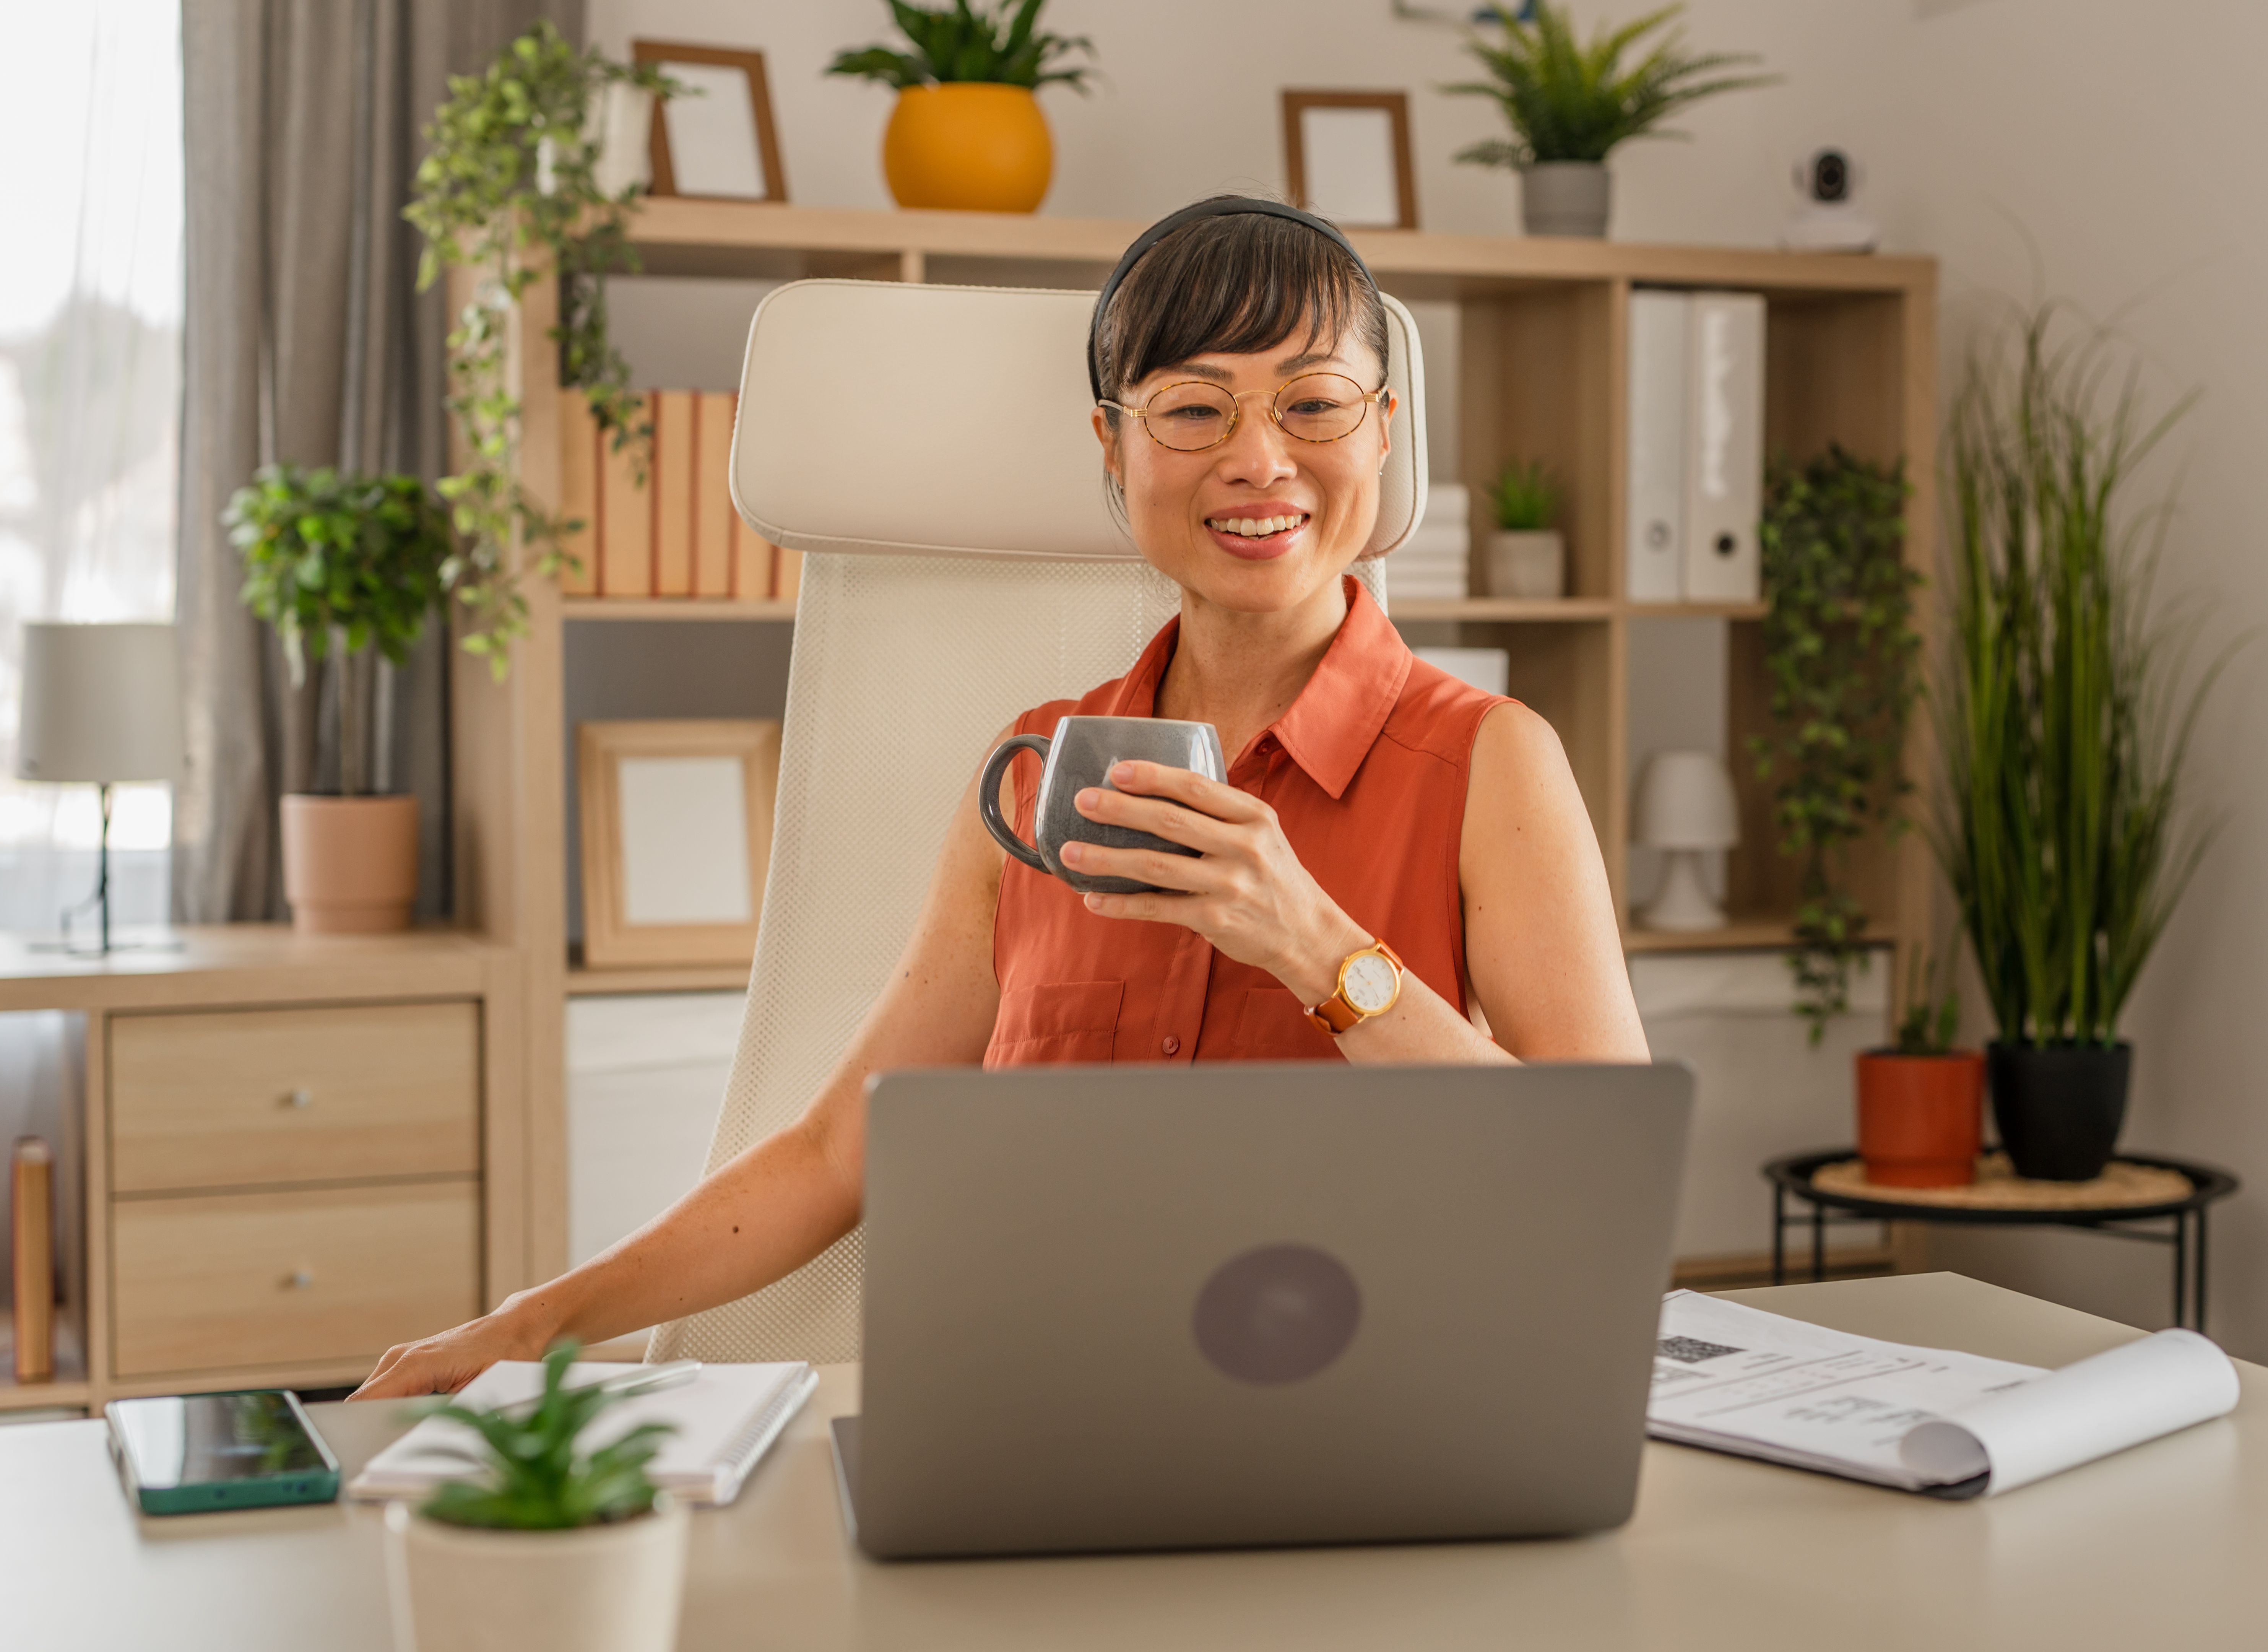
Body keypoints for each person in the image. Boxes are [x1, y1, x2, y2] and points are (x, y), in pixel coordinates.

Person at [356, 198, 1647, 1400]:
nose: (1262, 460)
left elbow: (1599, 1180)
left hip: (1361, 1412)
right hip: (1033, 1409)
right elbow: (834, 1157)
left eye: (1314, 404)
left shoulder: (1492, 763)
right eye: (1194, 411)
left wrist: (1317, 947)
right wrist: (526, 1329)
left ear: (1383, 432)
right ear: (1114, 445)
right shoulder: (1034, 774)